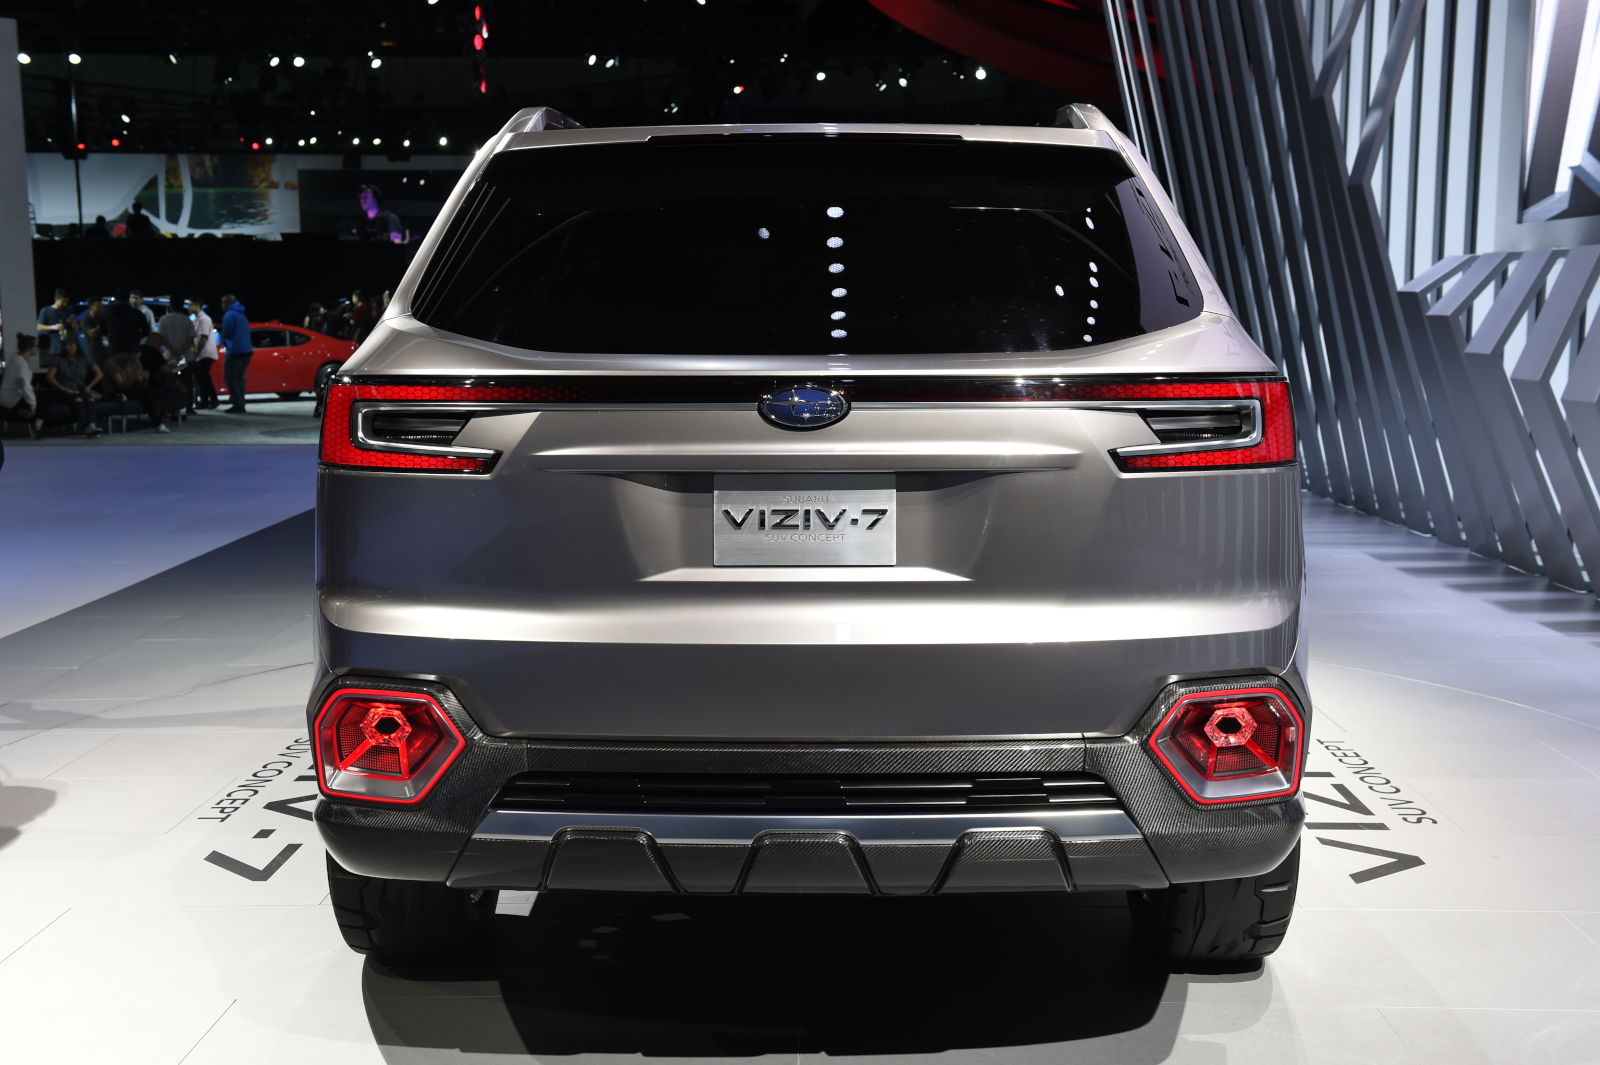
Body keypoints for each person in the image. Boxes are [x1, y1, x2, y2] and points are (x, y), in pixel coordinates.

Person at [101, 340, 170, 434]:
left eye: (138, 357)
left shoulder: (136, 361)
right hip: (115, 389)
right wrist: (134, 379)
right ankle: (158, 423)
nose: (136, 359)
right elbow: (120, 384)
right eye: (134, 357)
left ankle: (125, 397)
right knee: (145, 393)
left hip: (131, 387)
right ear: (126, 354)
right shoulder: (112, 363)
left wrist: (145, 379)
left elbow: (143, 385)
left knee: (151, 392)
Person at [44, 332, 102, 437]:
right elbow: (50, 377)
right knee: (78, 400)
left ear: (76, 344)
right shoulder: (58, 359)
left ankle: (92, 425)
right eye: (65, 345)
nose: (68, 347)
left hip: (80, 388)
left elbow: (99, 373)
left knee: (90, 399)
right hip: (63, 389)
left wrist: (89, 386)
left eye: (70, 344)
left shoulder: (85, 358)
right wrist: (63, 388)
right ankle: (86, 428)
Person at [1, 332, 43, 439]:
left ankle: (38, 419)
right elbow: (24, 386)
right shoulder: (20, 363)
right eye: (36, 346)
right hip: (11, 399)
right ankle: (38, 421)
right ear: (29, 348)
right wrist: (32, 404)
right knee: (47, 397)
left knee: (42, 399)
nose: (38, 348)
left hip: (9, 397)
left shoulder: (16, 359)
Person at [218, 293, 252, 413]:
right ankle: (241, 403)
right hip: (246, 351)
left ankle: (237, 404)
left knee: (230, 378)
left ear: (228, 303)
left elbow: (227, 333)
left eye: (223, 302)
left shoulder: (229, 315)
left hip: (235, 351)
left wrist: (221, 335)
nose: (221, 305)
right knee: (239, 378)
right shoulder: (241, 314)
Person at [188, 297, 219, 409]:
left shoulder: (204, 319)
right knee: (200, 378)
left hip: (205, 353)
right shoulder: (196, 320)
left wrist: (196, 350)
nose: (189, 308)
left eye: (190, 305)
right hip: (199, 355)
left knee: (204, 377)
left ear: (197, 306)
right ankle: (204, 401)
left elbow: (203, 337)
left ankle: (214, 400)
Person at [104, 290, 147, 360]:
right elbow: (146, 330)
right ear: (128, 298)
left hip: (115, 349)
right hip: (132, 349)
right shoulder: (136, 313)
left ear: (115, 298)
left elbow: (103, 330)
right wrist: (136, 336)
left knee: (116, 366)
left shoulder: (107, 312)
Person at [37, 289, 74, 357]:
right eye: (63, 302)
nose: (65, 304)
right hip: (54, 347)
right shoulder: (46, 311)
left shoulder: (69, 310)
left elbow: (76, 328)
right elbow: (39, 327)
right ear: (56, 299)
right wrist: (54, 327)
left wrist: (73, 322)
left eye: (66, 302)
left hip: (67, 346)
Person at [77, 297, 110, 364]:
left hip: (106, 353)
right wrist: (102, 324)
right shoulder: (85, 320)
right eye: (98, 307)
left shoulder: (102, 318)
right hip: (94, 355)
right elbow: (92, 333)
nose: (101, 309)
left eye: (102, 307)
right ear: (90, 307)